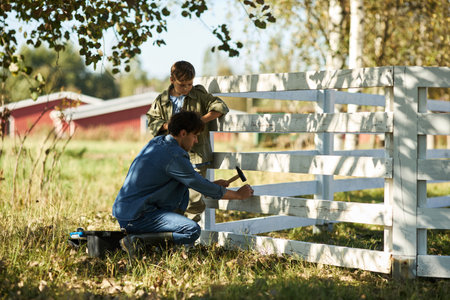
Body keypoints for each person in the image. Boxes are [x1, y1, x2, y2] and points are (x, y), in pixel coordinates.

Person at [112, 111, 253, 254]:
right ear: (183, 133)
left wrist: (210, 185)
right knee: (191, 230)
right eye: (195, 135)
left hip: (129, 212)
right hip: (138, 216)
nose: (196, 141)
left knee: (181, 225)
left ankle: (147, 244)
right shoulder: (174, 156)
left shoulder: (158, 142)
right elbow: (197, 182)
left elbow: (191, 180)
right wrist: (238, 195)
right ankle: (138, 240)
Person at [147, 61, 229, 222]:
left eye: (190, 84)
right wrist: (168, 126)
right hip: (170, 158)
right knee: (172, 196)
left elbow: (220, 106)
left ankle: (188, 238)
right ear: (172, 80)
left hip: (195, 156)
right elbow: (152, 121)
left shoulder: (198, 95)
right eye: (182, 85)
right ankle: (172, 236)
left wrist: (200, 122)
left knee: (194, 200)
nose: (186, 88)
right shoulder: (162, 100)